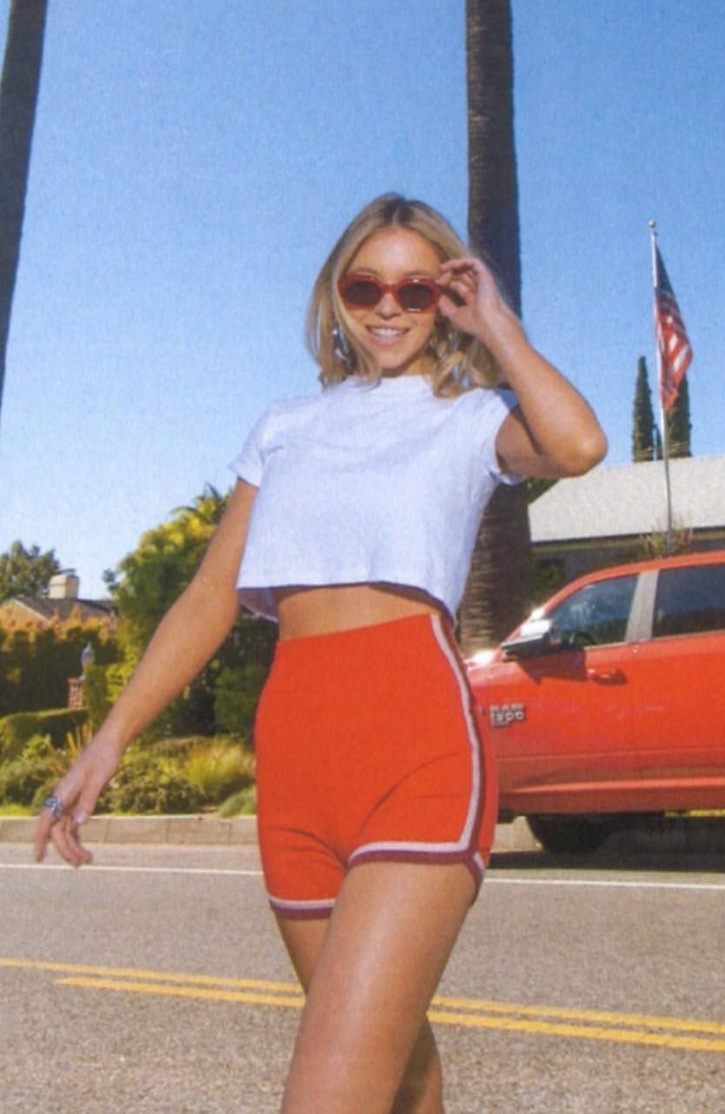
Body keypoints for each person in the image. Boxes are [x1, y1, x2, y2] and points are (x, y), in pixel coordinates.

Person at [34, 193, 606, 1114]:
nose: (389, 307)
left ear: (444, 299)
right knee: (400, 1073)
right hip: (296, 770)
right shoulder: (284, 427)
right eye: (365, 285)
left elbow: (579, 444)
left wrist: (496, 323)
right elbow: (208, 599)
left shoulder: (471, 417)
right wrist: (108, 742)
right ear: (336, 294)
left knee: (330, 1091)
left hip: (417, 754)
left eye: (416, 289)